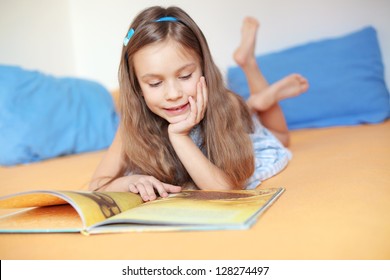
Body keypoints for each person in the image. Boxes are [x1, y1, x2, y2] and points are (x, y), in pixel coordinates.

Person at [89, 6, 308, 201]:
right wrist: (128, 182)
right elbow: (98, 185)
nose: (173, 94)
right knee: (247, 111)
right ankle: (253, 104)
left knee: (281, 137)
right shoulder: (132, 125)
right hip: (231, 111)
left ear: (203, 67)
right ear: (137, 85)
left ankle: (249, 67)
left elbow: (225, 190)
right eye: (155, 83)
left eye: (185, 76)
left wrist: (179, 135)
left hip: (229, 118)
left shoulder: (225, 105)